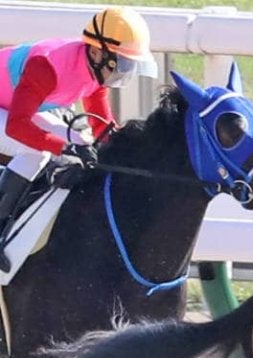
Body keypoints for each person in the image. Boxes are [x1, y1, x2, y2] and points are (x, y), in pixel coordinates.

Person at [0, 7, 157, 271]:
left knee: (81, 139)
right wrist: (64, 147)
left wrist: (129, 151)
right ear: (96, 52)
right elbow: (17, 127)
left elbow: (101, 126)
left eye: (129, 66)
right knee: (38, 152)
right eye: (120, 64)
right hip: (12, 115)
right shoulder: (45, 66)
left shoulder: (96, 71)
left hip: (11, 107)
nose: (122, 73)